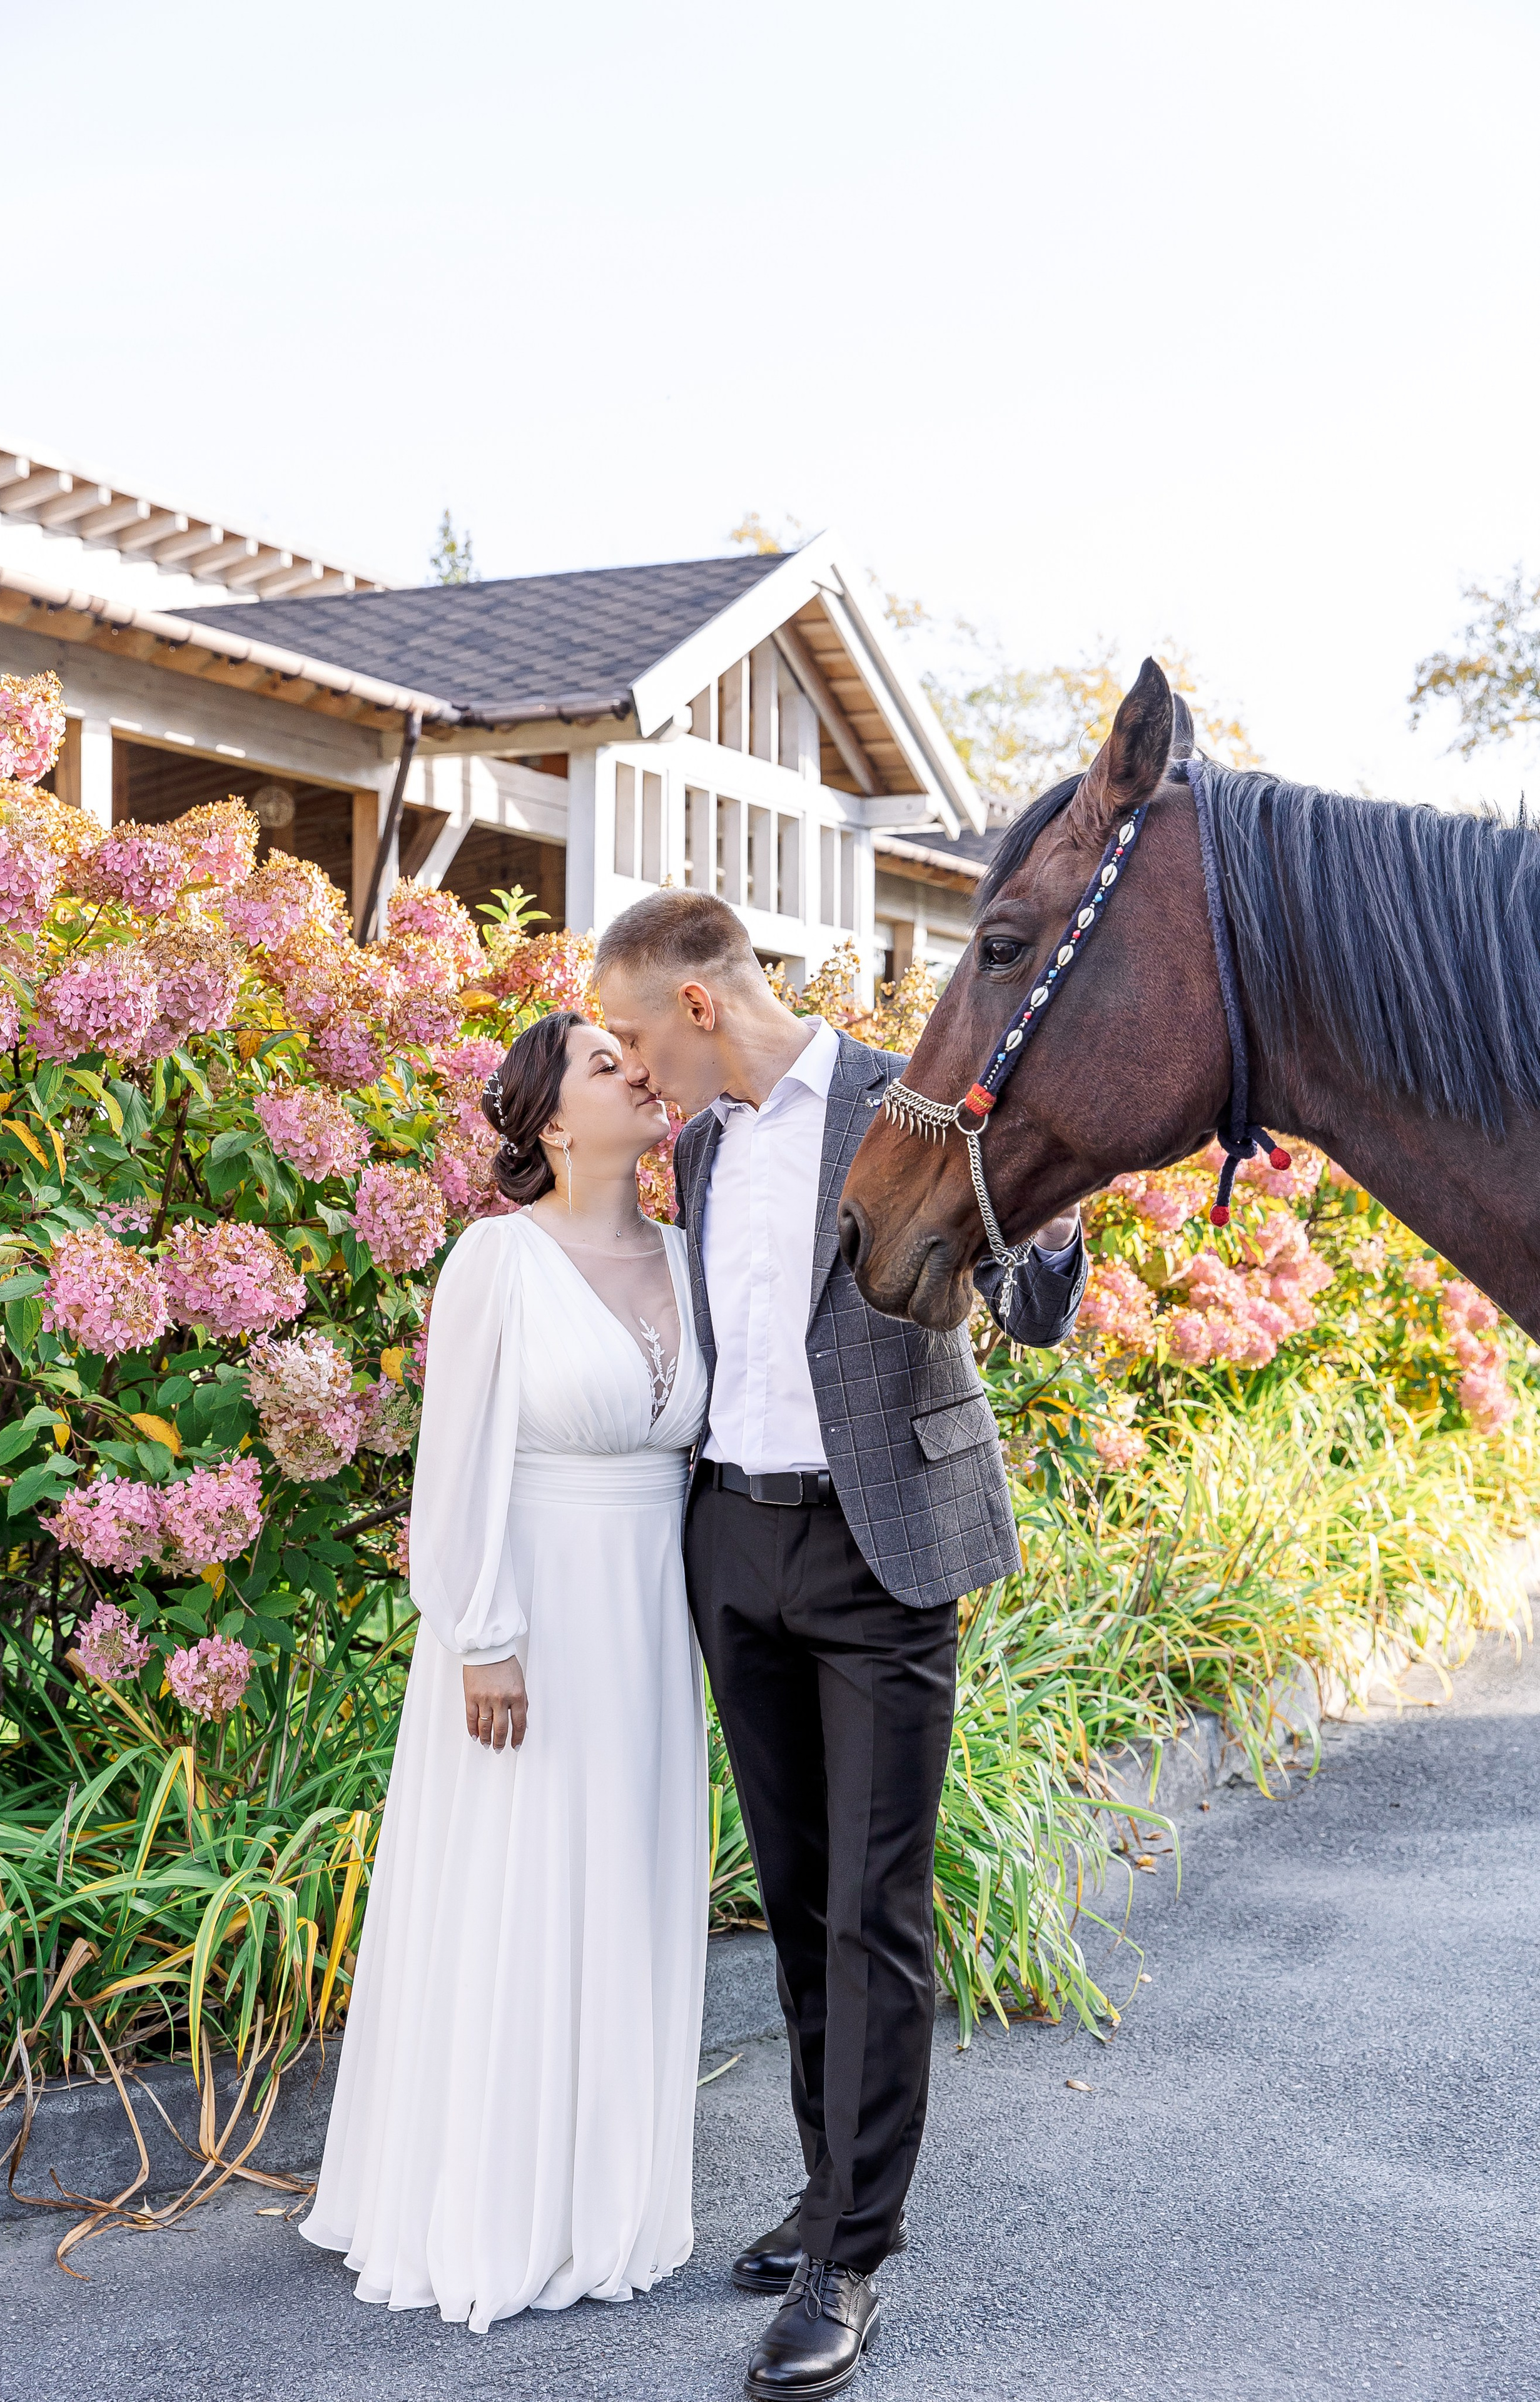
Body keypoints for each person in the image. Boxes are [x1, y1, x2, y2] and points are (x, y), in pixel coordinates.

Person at [596, 894, 1085, 2402]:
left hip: (884, 1547)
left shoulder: (907, 1099)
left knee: (872, 1902)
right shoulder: (697, 1146)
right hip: (731, 1544)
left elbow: (1029, 1303)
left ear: (694, 1006)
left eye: (625, 1033)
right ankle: (827, 2188)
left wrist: (1055, 1217)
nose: (623, 1068)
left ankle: (849, 2256)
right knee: (799, 1892)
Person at [301, 1011, 711, 2333]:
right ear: (548, 1122)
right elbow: (455, 1453)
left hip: (650, 1623)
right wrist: (480, 1630)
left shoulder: (691, 1258)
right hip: (527, 1613)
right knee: (524, 1888)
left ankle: (607, 2194)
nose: (639, 1076)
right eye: (607, 1066)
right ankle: (493, 2199)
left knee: (628, 1890)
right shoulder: (497, 1259)